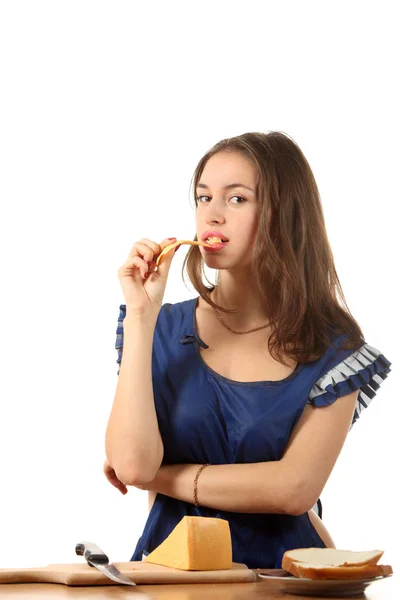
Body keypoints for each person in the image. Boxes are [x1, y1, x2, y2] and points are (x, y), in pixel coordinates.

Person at [104, 131, 392, 569]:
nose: (212, 216)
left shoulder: (333, 347)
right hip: (172, 582)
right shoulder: (157, 328)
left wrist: (163, 477)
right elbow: (132, 463)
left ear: (282, 215)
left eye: (237, 200)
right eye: (204, 198)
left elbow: (293, 490)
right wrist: (143, 316)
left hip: (287, 582)